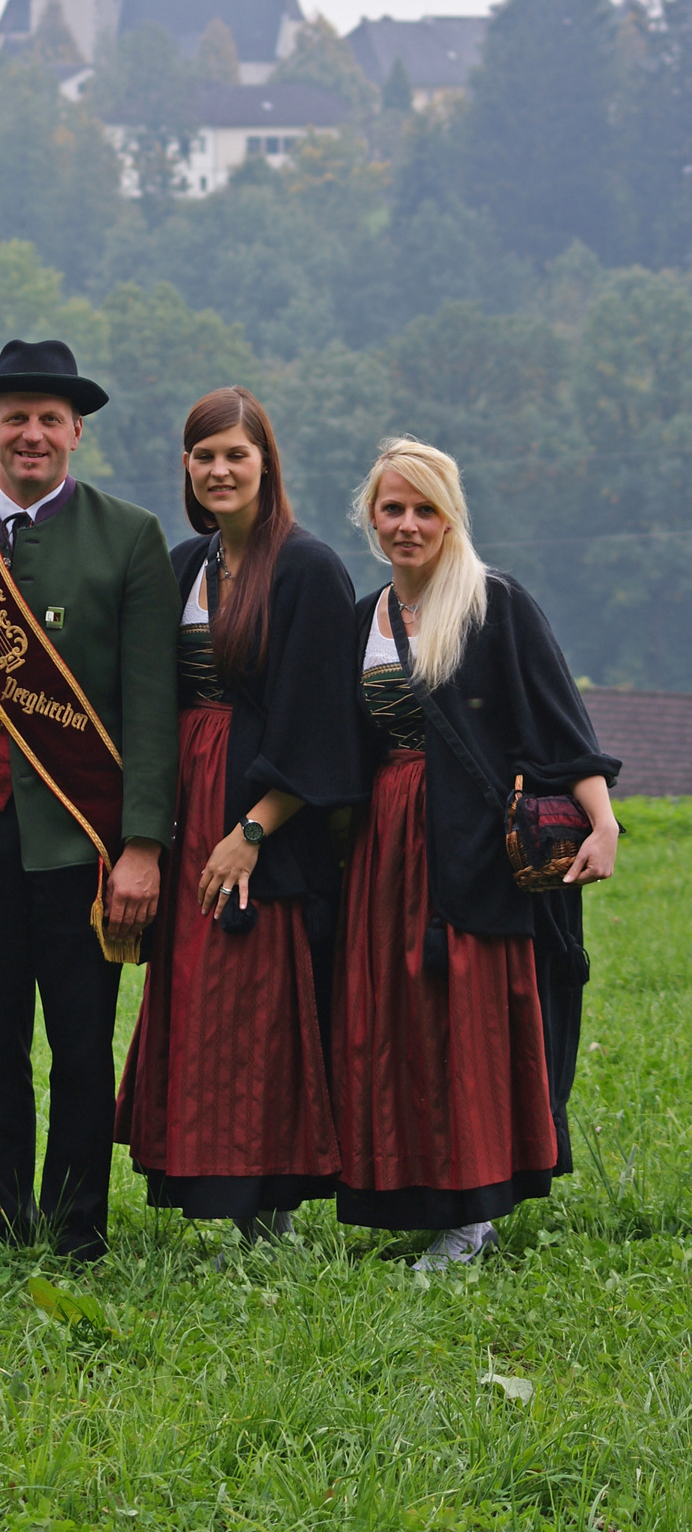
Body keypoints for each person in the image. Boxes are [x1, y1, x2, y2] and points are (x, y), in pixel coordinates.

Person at [0, 338, 180, 1261]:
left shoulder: (130, 537)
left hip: (80, 845)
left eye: (50, 420)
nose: (32, 434)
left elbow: (150, 706)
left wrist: (142, 844)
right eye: (16, 417)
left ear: (77, 434)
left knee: (76, 1049)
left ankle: (74, 1231)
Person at [333, 437, 620, 1269]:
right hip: (386, 850)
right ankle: (420, 1198)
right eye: (393, 508)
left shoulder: (495, 602)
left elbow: (559, 727)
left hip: (473, 850)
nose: (408, 524)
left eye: (426, 509)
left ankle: (473, 1218)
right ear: (371, 517)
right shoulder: (365, 616)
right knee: (398, 1023)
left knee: (468, 1024)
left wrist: (601, 824)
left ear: (451, 516)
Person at [116, 387, 365, 1246]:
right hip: (186, 806)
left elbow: (320, 725)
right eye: (203, 455)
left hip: (261, 824)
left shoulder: (307, 569)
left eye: (235, 454)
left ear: (266, 463)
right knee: (196, 1002)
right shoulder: (185, 564)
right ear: (185, 468)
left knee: (258, 1011)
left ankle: (274, 1215)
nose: (219, 470)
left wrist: (251, 832)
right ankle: (209, 1185)